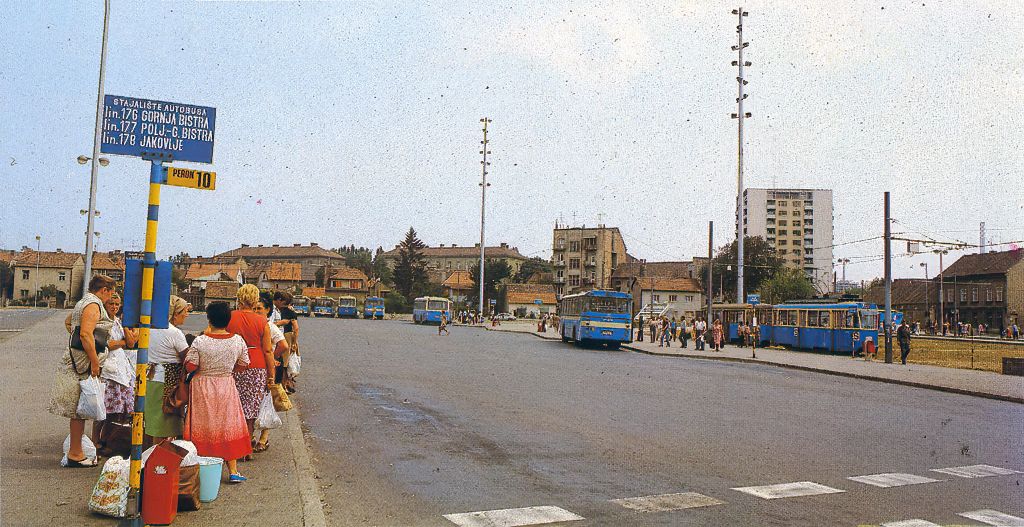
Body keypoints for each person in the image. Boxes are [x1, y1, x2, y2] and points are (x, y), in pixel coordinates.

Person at [49, 274, 116, 467]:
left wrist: (75, 337)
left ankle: (76, 451)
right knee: (80, 407)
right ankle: (75, 453)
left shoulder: (83, 302)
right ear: (104, 290)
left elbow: (70, 322)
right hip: (83, 364)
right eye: (110, 294)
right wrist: (94, 361)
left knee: (79, 409)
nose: (109, 299)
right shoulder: (94, 305)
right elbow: (86, 334)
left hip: (78, 360)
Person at [183, 301, 253, 483]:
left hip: (202, 386)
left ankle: (200, 468)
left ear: (209, 319)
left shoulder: (200, 341)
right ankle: (233, 471)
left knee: (203, 424)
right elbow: (244, 363)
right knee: (227, 425)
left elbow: (191, 365)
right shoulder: (238, 341)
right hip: (226, 384)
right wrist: (228, 371)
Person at [229, 284, 274, 446]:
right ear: (255, 299)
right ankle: (246, 445)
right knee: (251, 408)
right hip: (257, 367)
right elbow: (268, 351)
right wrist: (271, 376)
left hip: (234, 365)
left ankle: (234, 442)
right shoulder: (262, 321)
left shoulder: (230, 317)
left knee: (234, 406)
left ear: (239, 298)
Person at [144, 295, 191, 442]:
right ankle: (161, 459)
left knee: (152, 424)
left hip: (150, 379)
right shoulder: (174, 333)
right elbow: (188, 359)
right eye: (185, 311)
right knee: (164, 427)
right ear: (175, 313)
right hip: (168, 384)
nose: (187, 314)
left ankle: (149, 457)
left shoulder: (150, 328)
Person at [94, 292, 138, 447]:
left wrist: (125, 326)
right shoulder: (102, 322)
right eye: (111, 304)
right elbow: (106, 344)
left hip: (121, 370)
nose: (114, 307)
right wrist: (122, 342)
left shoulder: (118, 322)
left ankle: (109, 439)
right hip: (108, 369)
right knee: (103, 410)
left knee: (118, 410)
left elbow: (131, 343)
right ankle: (95, 441)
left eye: (117, 305)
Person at [254, 293, 289, 453]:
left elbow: (284, 346)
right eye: (254, 308)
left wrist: (273, 357)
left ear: (268, 310)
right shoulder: (255, 324)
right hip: (256, 369)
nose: (256, 311)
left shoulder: (271, 326)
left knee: (267, 402)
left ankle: (263, 438)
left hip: (269, 368)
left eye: (259, 308)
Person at [273, 291, 299, 394]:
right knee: (286, 362)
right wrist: (294, 342)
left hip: (278, 337)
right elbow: (296, 329)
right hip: (288, 337)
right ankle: (286, 384)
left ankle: (285, 384)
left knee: (282, 361)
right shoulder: (291, 312)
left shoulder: (278, 311)